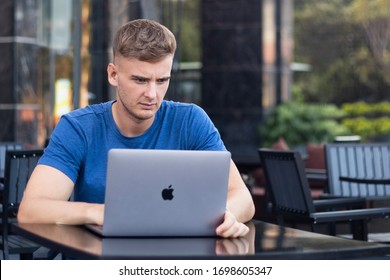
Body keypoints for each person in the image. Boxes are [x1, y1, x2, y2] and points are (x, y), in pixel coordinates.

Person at [17, 19, 255, 238]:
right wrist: (101, 213)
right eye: (140, 80)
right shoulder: (78, 128)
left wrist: (226, 214)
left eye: (162, 81)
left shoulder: (191, 120)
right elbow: (31, 210)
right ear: (113, 74)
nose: (152, 94)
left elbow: (243, 198)